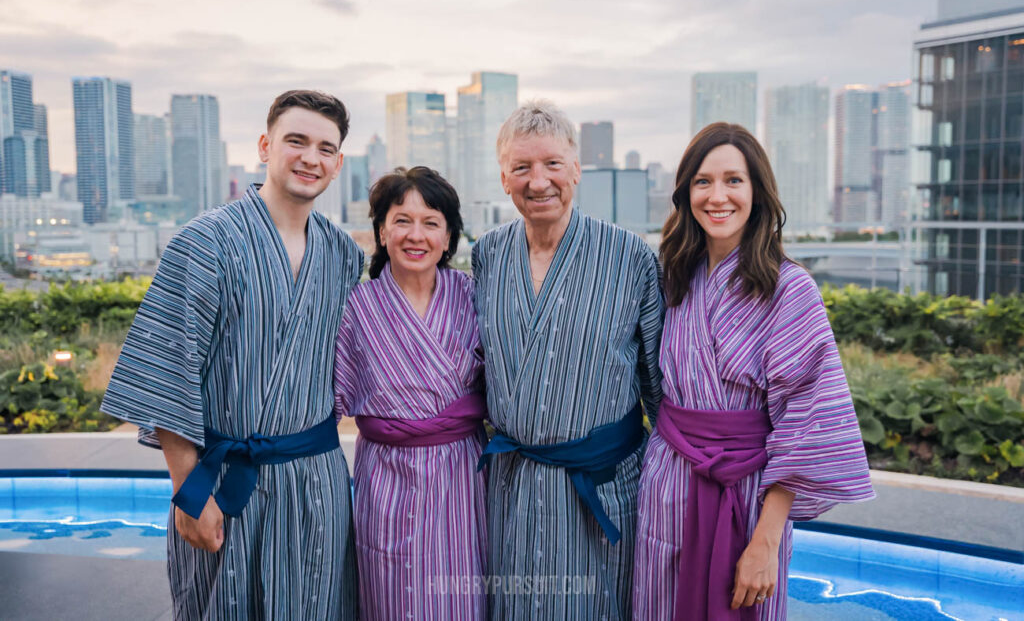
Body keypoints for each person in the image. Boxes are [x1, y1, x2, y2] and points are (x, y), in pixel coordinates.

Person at [101, 90, 362, 620]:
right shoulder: (203, 242)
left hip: (316, 482)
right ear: (266, 146)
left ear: (337, 165)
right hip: (221, 486)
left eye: (325, 148)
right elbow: (167, 375)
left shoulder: (343, 255)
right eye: (296, 141)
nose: (311, 157)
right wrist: (189, 494)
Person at [632, 122, 875, 620]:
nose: (717, 196)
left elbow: (806, 422)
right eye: (702, 182)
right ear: (685, 193)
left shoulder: (790, 289)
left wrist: (765, 542)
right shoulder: (675, 277)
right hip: (667, 482)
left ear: (757, 191)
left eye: (733, 181)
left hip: (749, 495)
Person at [472, 100, 663, 619]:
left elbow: (659, 389)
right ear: (504, 177)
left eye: (553, 164)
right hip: (512, 485)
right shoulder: (487, 254)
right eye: (522, 167)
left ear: (576, 168)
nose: (539, 182)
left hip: (601, 483)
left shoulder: (631, 257)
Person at [334, 167, 487, 620]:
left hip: (462, 475)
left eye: (431, 222)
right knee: (393, 599)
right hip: (387, 479)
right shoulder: (356, 308)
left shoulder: (474, 296)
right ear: (381, 232)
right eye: (402, 220)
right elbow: (326, 401)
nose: (415, 235)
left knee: (462, 597)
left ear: (448, 237)